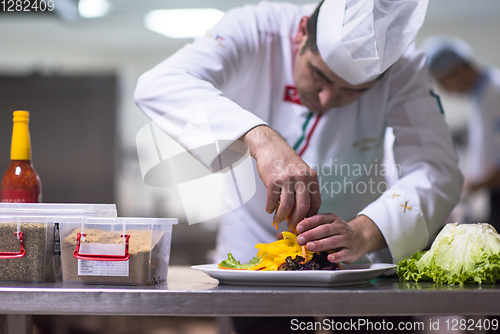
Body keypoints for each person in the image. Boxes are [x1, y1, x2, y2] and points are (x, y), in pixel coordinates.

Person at [136, 1, 462, 332]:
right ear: (302, 32)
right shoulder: (257, 30)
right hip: (253, 241)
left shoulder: (401, 67)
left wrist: (365, 231)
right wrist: (261, 138)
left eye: (353, 91)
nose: (325, 99)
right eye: (319, 74)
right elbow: (159, 84)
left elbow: (437, 169)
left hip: (355, 249)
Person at [422, 36, 500, 232]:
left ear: (457, 69)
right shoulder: (480, 96)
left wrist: (471, 185)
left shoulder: (496, 92)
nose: (445, 90)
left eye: (443, 81)